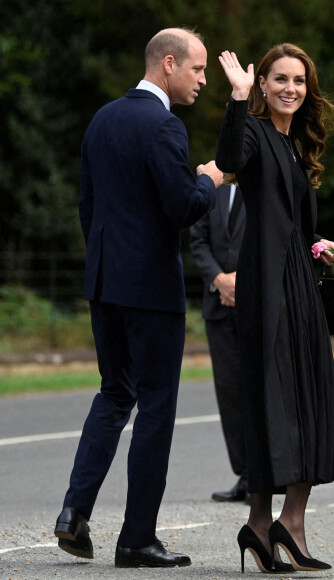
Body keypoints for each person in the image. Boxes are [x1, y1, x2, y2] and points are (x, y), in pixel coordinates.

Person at [53, 27, 223, 568]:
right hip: (151, 290)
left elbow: (87, 205)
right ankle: (137, 539)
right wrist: (210, 179)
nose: (202, 80)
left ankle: (74, 514)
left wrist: (107, 264)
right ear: (167, 64)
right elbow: (182, 207)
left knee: (113, 394)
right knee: (155, 406)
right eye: (197, 69)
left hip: (105, 284)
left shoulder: (103, 118)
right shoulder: (164, 125)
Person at [215, 45, 334, 574]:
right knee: (273, 400)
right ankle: (266, 523)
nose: (291, 87)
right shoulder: (255, 132)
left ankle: (280, 524)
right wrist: (237, 99)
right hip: (267, 289)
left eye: (300, 80)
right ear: (264, 84)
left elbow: (292, 220)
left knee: (308, 397)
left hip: (299, 287)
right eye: (280, 79)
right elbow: (228, 161)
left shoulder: (296, 145)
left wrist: (316, 244)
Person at [189, 183, 250, 503]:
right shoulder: (211, 190)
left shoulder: (264, 183)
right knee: (229, 392)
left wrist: (243, 280)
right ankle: (244, 474)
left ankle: (262, 478)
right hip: (217, 306)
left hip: (256, 305)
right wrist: (220, 280)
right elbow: (198, 241)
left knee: (258, 390)